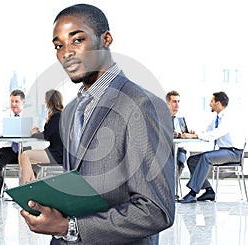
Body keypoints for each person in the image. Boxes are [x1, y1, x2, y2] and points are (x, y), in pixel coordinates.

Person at [20, 4, 175, 244]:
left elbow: (156, 210)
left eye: (77, 40)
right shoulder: (71, 110)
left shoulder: (142, 104)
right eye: (58, 46)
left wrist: (68, 227)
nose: (66, 53)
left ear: (106, 39)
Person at [178, 91, 245, 203]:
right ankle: (209, 191)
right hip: (224, 151)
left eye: (211, 101)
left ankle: (193, 193)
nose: (210, 104)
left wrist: (196, 136)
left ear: (218, 103)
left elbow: (217, 133)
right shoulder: (217, 118)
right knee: (192, 160)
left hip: (234, 153)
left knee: (206, 157)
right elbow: (207, 131)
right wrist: (194, 133)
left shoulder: (228, 117)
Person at [19, 89, 64, 184]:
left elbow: (45, 135)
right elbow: (49, 134)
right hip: (57, 152)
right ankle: (31, 185)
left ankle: (25, 187)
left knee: (25, 155)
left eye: (45, 100)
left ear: (49, 101)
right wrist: (39, 133)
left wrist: (33, 134)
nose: (45, 102)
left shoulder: (57, 116)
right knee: (24, 157)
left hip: (57, 154)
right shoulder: (60, 115)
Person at [0, 89, 26, 197]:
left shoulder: (30, 117)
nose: (13, 104)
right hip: (8, 149)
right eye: (11, 101)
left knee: (34, 164)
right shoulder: (3, 116)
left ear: (23, 102)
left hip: (25, 149)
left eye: (16, 101)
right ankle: (2, 185)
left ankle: (26, 189)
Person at [166, 90, 195, 177]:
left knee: (179, 162)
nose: (177, 104)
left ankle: (174, 186)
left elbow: (189, 133)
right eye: (174, 101)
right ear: (168, 102)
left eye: (178, 101)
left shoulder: (184, 117)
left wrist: (190, 133)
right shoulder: (162, 116)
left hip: (180, 149)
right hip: (166, 149)